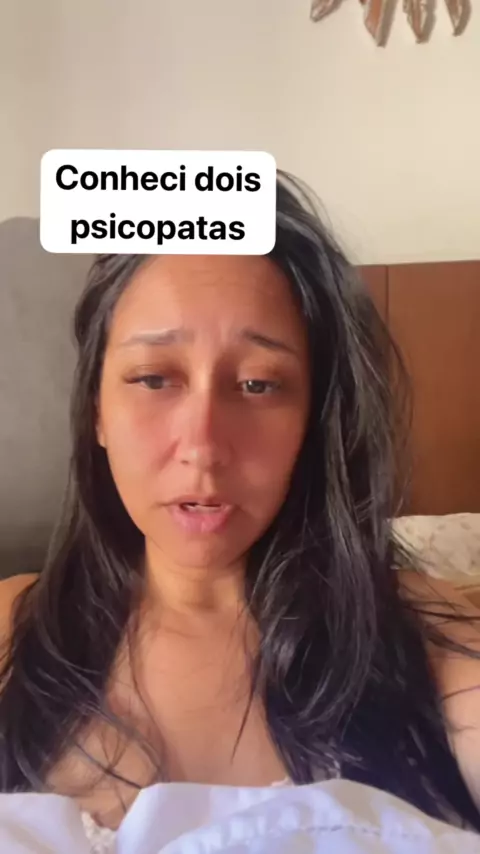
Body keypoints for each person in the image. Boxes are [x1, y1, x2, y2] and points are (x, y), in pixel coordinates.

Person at [0, 172, 479, 844]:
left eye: (258, 384)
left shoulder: (427, 641)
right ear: (97, 412)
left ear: (315, 418)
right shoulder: (13, 633)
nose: (203, 446)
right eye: (153, 378)